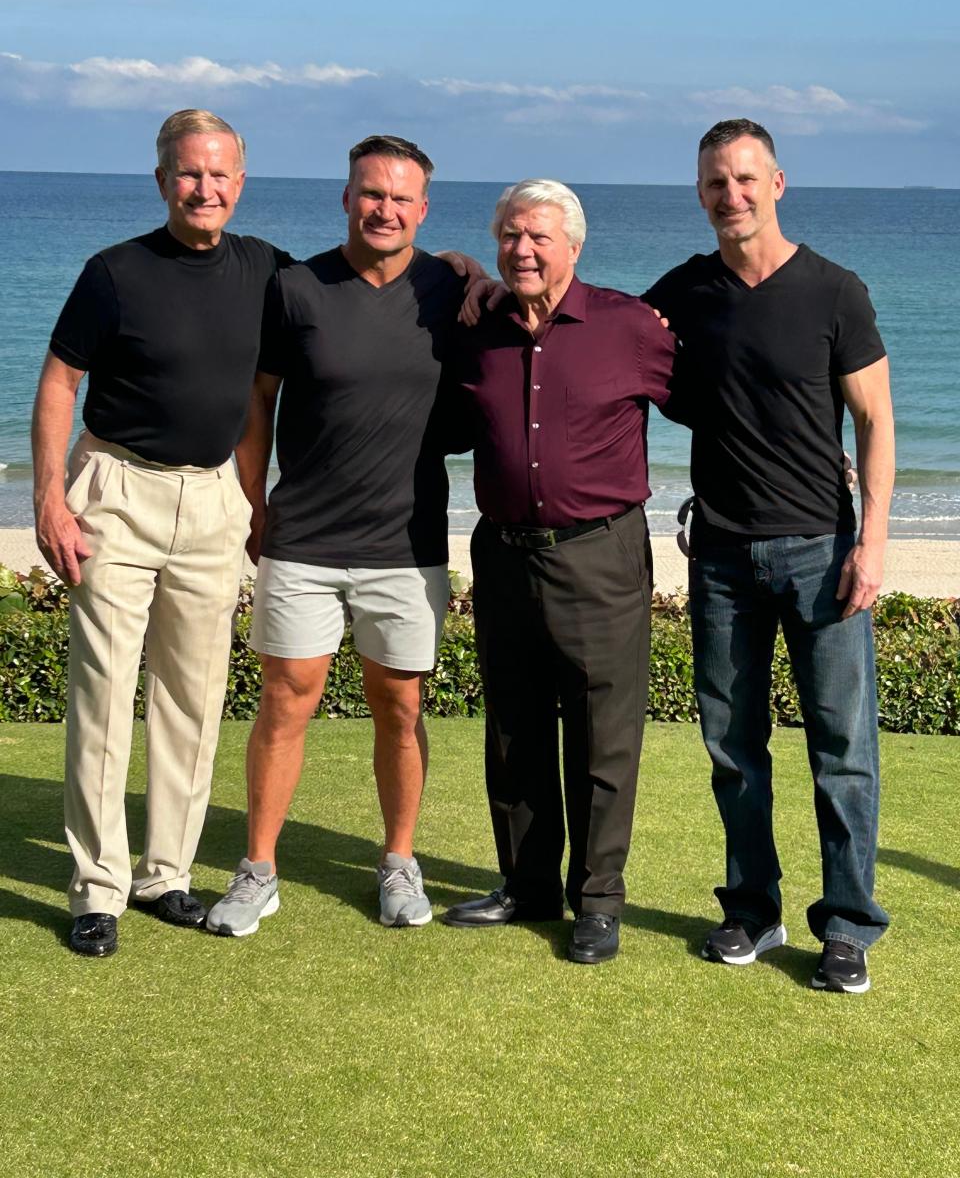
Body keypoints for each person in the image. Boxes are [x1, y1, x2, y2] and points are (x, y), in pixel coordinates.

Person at [644, 119, 894, 994]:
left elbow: (875, 422)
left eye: (746, 179)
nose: (732, 196)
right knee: (732, 746)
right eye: (716, 182)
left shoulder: (834, 291)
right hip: (718, 554)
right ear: (701, 192)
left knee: (842, 751)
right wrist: (475, 279)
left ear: (778, 183)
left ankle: (849, 926)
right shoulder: (683, 291)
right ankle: (753, 908)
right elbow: (601, 336)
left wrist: (872, 540)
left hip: (821, 552)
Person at [32, 109, 290, 957]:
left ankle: (165, 876)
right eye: (188, 174)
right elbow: (61, 381)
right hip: (116, 493)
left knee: (193, 695)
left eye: (220, 175)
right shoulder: (113, 272)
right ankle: (97, 889)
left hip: (214, 499)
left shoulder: (264, 269)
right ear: (161, 180)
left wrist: (459, 273)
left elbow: (357, 281)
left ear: (241, 184)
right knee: (104, 696)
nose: (204, 189)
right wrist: (50, 499)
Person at [205, 135, 468, 937]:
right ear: (346, 197)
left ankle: (398, 862)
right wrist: (254, 501)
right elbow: (259, 399)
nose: (383, 209)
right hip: (304, 538)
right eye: (370, 193)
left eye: (400, 197)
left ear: (423, 209)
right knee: (285, 704)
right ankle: (258, 870)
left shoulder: (451, 292)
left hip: (407, 540)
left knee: (400, 706)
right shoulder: (295, 288)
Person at [441, 180, 682, 964]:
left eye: (540, 237)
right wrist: (460, 269)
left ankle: (599, 901)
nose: (524, 250)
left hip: (601, 554)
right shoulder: (477, 330)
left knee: (601, 735)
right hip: (504, 554)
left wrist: (818, 452)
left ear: (575, 246)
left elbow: (717, 399)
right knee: (513, 729)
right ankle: (527, 885)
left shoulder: (631, 326)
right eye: (511, 236)